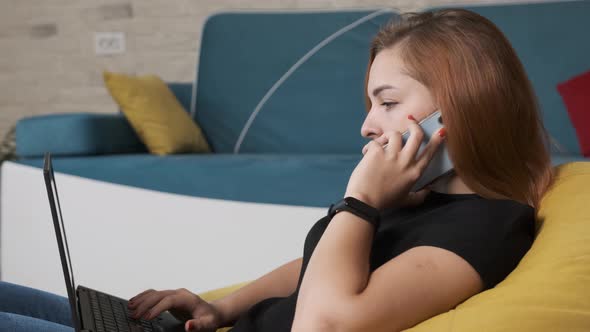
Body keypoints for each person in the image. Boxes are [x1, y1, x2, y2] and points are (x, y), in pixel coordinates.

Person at [0, 8, 553, 332]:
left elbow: (323, 322)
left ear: (454, 112)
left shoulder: (485, 228)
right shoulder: (418, 202)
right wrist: (220, 307)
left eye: (386, 101)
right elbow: (317, 265)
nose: (366, 125)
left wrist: (358, 201)